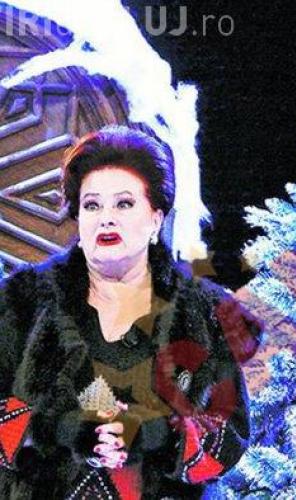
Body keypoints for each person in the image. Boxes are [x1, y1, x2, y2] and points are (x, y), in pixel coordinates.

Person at [0, 125, 258, 498]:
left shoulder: (203, 310)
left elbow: (229, 433)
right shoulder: (21, 301)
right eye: (92, 205)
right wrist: (68, 430)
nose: (106, 218)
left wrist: (152, 433)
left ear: (156, 217)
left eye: (124, 204)